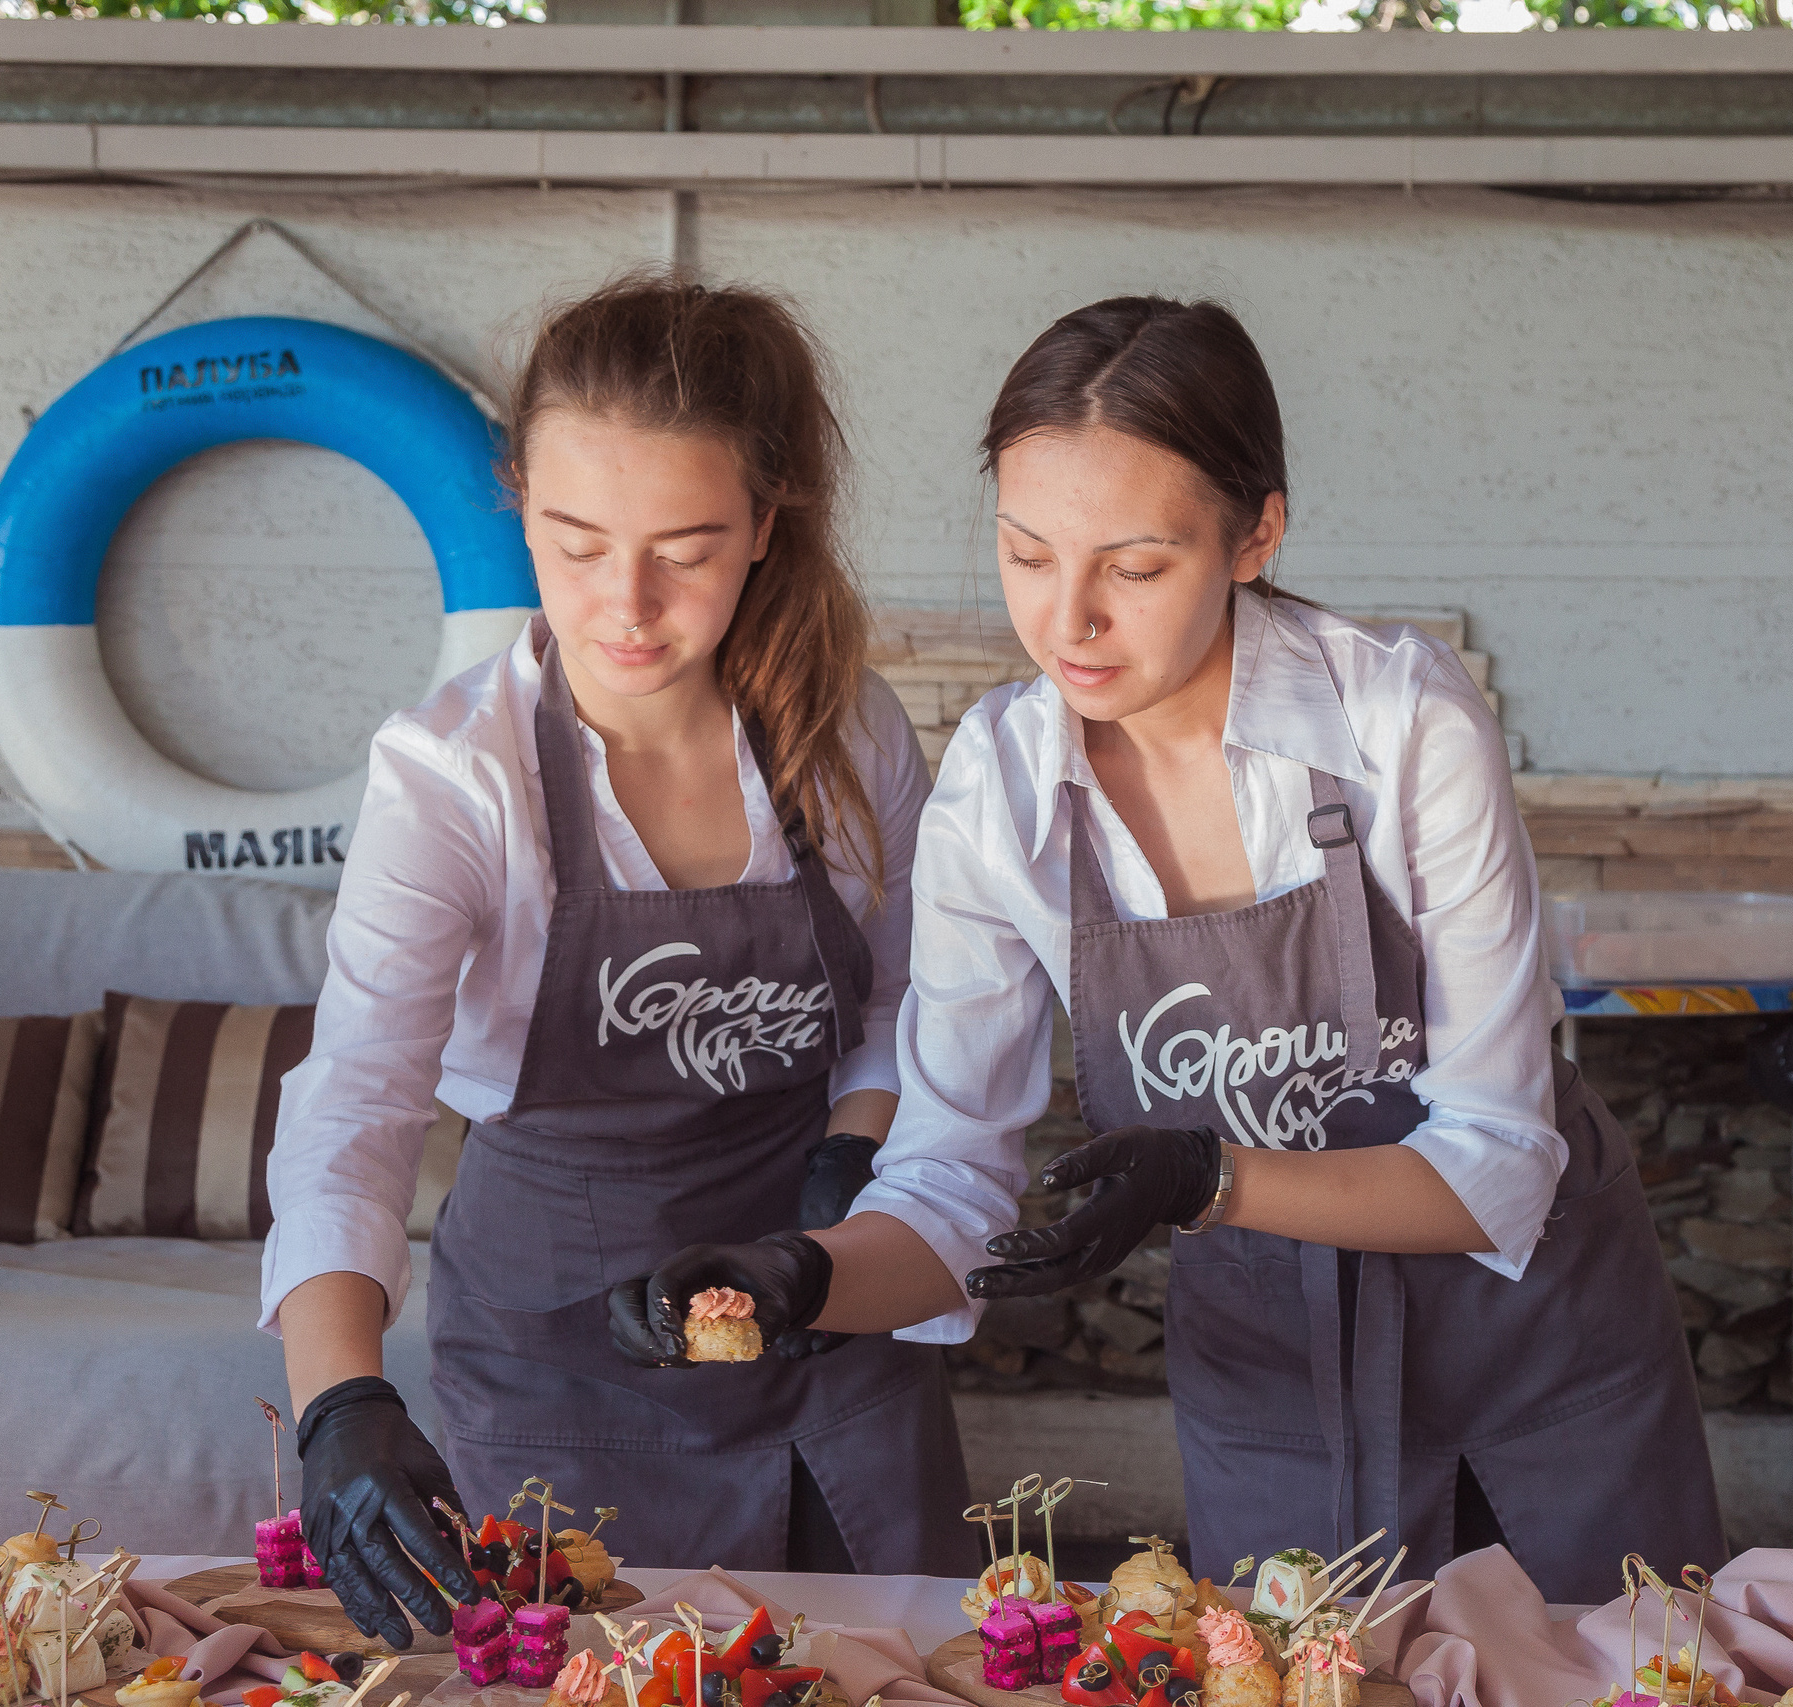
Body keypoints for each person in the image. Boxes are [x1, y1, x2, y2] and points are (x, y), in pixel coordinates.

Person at [644, 296, 1725, 1599]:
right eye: (1027, 554)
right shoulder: (1001, 786)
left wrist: (1212, 1178)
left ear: (1255, 535)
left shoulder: (1399, 723)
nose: (1069, 623)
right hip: (1271, 1381)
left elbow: (1497, 1161)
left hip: (1541, 1353)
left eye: (1137, 568)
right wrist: (798, 1276)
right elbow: (946, 1178)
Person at [259, 273, 971, 1648]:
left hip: (823, 1307)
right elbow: (356, 1099)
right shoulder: (456, 777)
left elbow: (907, 999)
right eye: (575, 544)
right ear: (520, 503)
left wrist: (853, 1163)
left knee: (887, 1668)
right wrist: (339, 1402)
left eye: (686, 551)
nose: (626, 605)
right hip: (556, 1365)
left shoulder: (843, 731)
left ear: (766, 527)